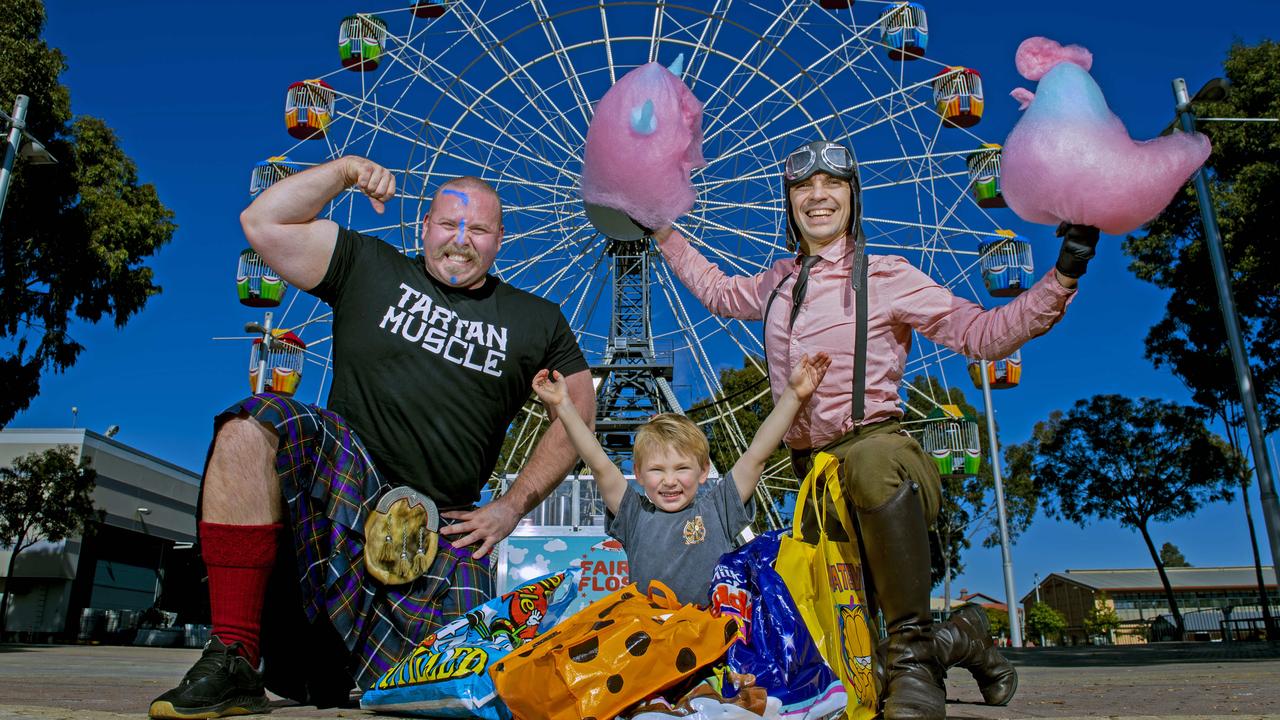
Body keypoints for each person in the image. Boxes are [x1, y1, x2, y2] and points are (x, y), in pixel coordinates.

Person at [652, 139, 1101, 720]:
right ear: (789, 203)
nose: (817, 197)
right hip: (809, 471)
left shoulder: (888, 276)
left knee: (868, 468)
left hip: (882, 454)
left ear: (852, 197)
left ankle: (915, 664)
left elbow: (983, 335)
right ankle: (960, 636)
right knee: (836, 654)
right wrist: (663, 230)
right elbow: (714, 290)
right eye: (802, 188)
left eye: (831, 185)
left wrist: (1065, 272)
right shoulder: (776, 285)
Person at [148, 156, 596, 720]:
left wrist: (511, 507)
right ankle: (232, 656)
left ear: (501, 238)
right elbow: (265, 224)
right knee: (249, 427)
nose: (461, 241)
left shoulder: (537, 320)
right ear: (424, 227)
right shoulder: (368, 265)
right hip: (345, 483)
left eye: (478, 229)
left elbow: (580, 411)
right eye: (449, 226)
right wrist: (344, 171)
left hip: (443, 528)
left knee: (449, 693)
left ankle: (353, 666)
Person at [531, 354, 831, 604]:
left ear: (703, 472)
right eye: (657, 470)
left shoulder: (717, 509)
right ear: (638, 474)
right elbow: (599, 463)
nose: (670, 481)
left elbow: (756, 456)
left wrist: (792, 396)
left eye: (681, 469)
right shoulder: (634, 516)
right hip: (652, 640)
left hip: (711, 638)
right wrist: (564, 406)